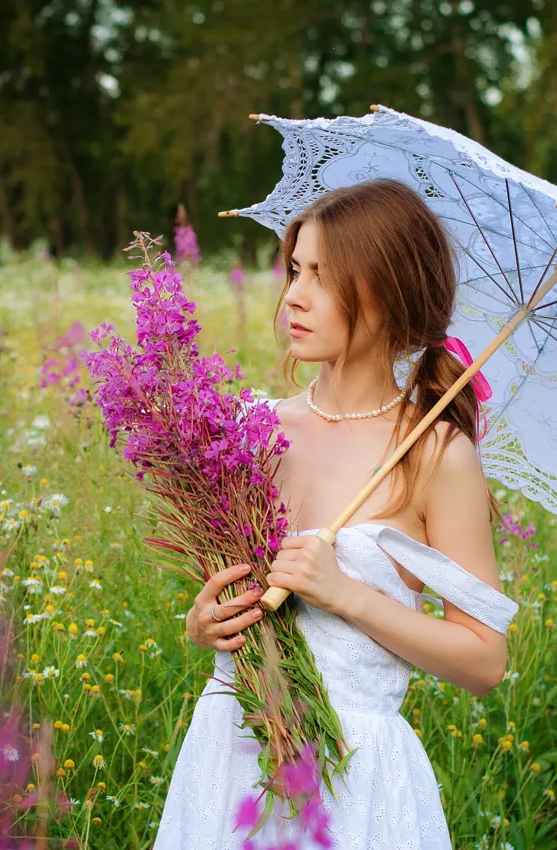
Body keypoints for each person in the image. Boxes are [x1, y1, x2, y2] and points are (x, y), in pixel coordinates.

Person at [154, 180, 519, 849]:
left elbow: (484, 661)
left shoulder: (435, 454)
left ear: (387, 293)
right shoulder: (253, 430)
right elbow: (233, 604)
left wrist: (346, 595)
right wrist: (205, 623)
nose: (293, 294)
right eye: (295, 269)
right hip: (233, 750)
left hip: (353, 778)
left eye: (322, 276)